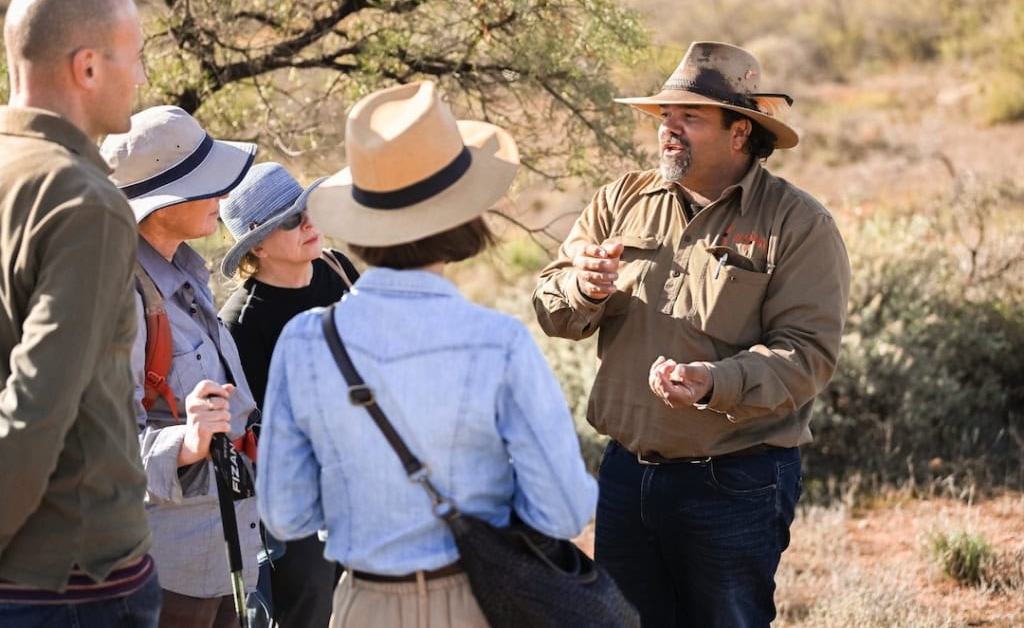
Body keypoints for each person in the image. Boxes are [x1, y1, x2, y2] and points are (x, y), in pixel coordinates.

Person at [533, 41, 852, 627]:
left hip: (735, 480)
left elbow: (808, 354)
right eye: (665, 117)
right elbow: (553, 310)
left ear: (740, 132)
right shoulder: (620, 200)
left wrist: (713, 383)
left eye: (690, 117)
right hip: (628, 473)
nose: (668, 130)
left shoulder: (799, 224)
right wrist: (586, 289)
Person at [257, 81, 597, 628]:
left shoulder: (304, 342)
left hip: (361, 604)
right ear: (461, 214)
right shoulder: (498, 342)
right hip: (481, 600)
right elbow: (563, 509)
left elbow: (284, 512)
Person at [0, 0, 160, 626]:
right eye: (137, 56)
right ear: (88, 66)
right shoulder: (83, 199)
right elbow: (38, 405)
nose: (143, 78)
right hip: (72, 577)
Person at [100, 104, 262, 628]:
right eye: (206, 184)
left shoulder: (185, 273)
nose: (223, 196)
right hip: (166, 577)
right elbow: (102, 449)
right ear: (158, 204)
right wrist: (188, 445)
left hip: (220, 555)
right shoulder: (117, 298)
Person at [218, 162, 358, 628]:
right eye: (291, 219)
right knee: (311, 611)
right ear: (256, 245)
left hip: (367, 475)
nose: (309, 223)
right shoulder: (240, 323)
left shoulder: (339, 269)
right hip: (299, 504)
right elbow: (256, 432)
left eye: (308, 209)